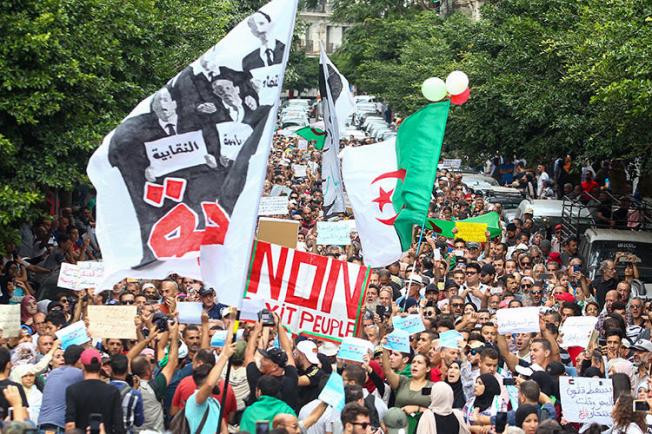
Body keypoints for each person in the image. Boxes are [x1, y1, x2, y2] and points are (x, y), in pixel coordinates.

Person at [64, 348, 125, 433]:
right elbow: (119, 426)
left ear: (82, 365)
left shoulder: (72, 390)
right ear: (100, 366)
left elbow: (70, 424)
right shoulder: (113, 391)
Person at [183, 341, 235, 434]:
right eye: (216, 377)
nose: (219, 380)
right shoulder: (195, 400)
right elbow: (210, 384)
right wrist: (224, 356)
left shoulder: (215, 402)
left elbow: (223, 429)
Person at [381, 346, 433, 433]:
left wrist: (418, 408)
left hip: (422, 428)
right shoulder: (403, 381)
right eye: (413, 362)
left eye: (419, 363)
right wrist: (385, 348)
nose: (415, 365)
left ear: (427, 369)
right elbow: (387, 371)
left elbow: (438, 412)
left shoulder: (432, 387)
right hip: (397, 428)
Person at [38, 344, 84, 432]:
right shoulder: (78, 373)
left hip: (42, 424)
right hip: (59, 426)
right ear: (80, 359)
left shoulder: (53, 373)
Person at [109, 354, 144, 433]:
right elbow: (139, 422)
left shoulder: (103, 390)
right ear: (127, 370)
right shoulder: (135, 395)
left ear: (111, 369)